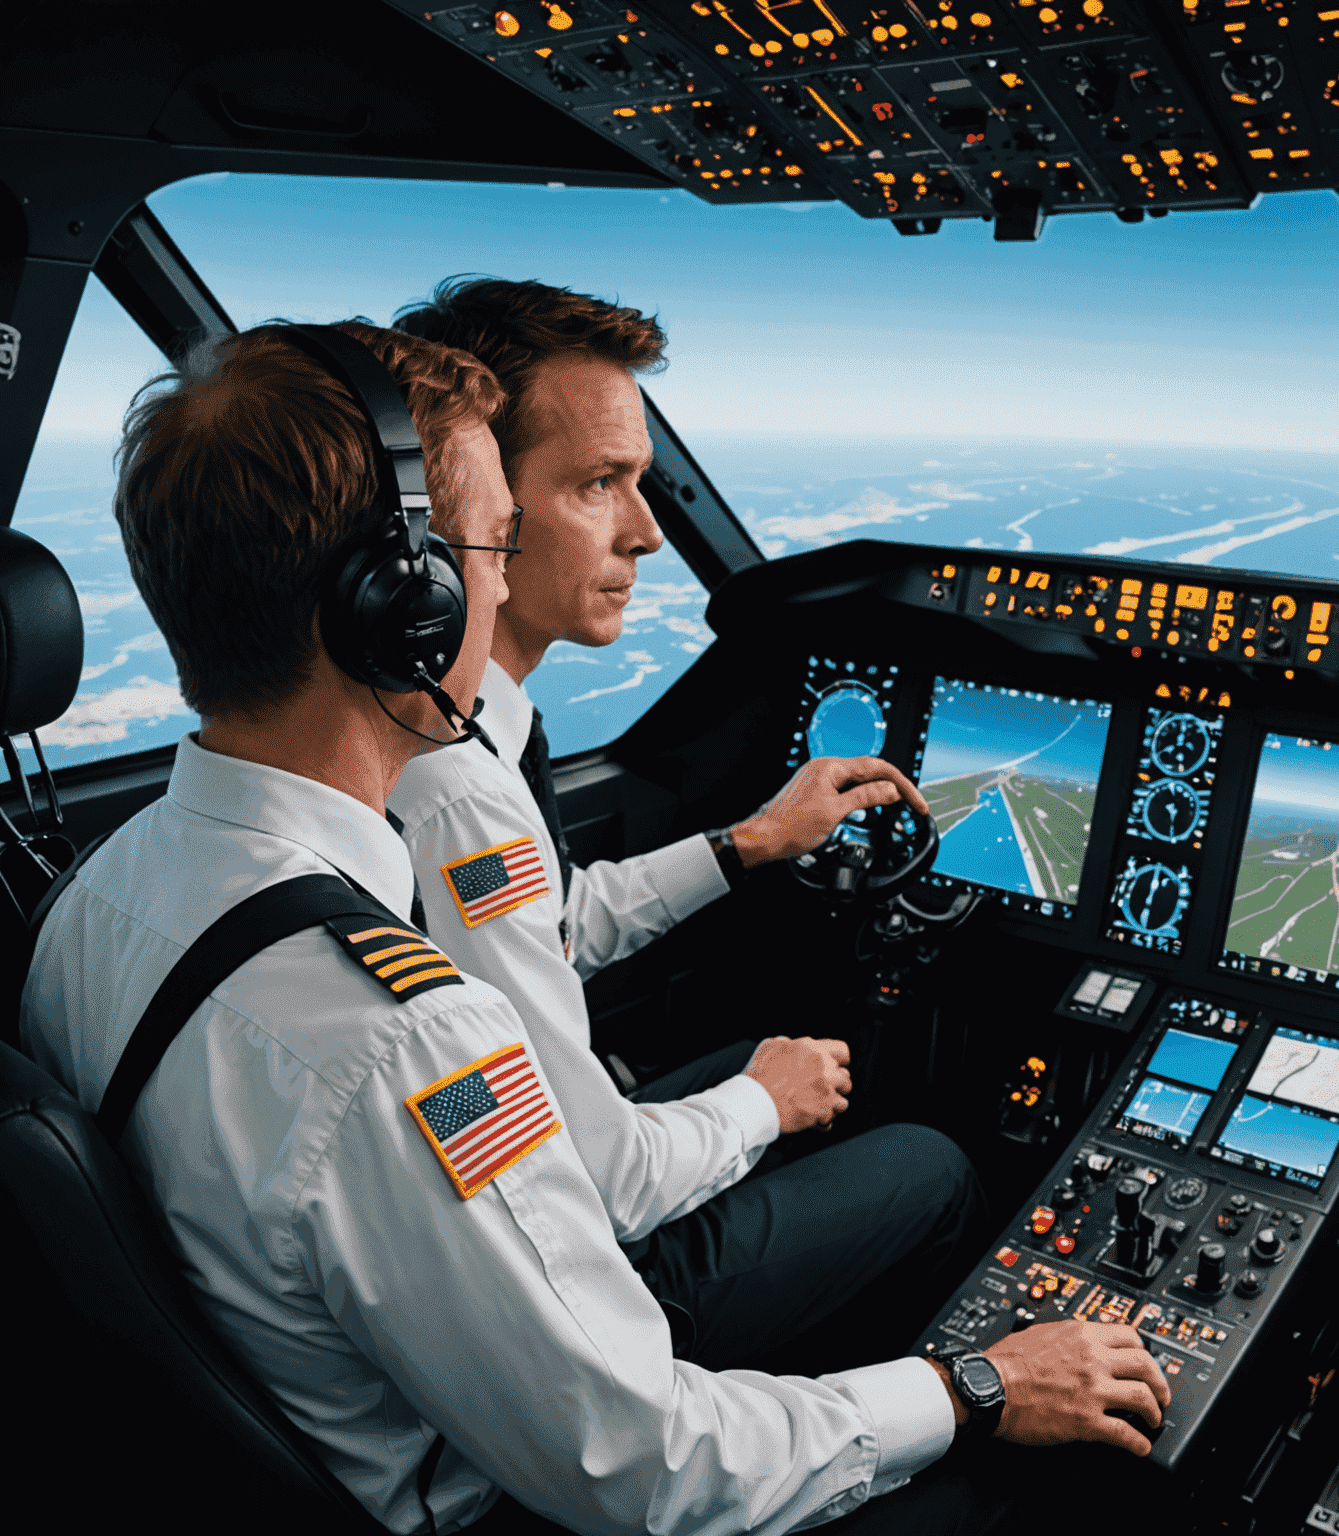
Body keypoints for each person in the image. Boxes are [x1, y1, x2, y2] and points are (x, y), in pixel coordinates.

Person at [22, 320, 1170, 1536]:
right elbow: (650, 1461)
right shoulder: (400, 1043)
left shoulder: (92, 897)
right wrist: (979, 1386)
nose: (505, 584)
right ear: (396, 606)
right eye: (490, 547)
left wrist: (739, 855)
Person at [387, 277, 971, 1372]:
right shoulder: (453, 791)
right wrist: (760, 1103)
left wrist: (745, 843)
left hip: (507, 1191)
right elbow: (606, 1187)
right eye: (600, 483)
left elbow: (544, 926)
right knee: (933, 1162)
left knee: (789, 1069)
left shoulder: (463, 741)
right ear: (474, 507)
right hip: (582, 1294)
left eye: (641, 484)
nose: (649, 534)